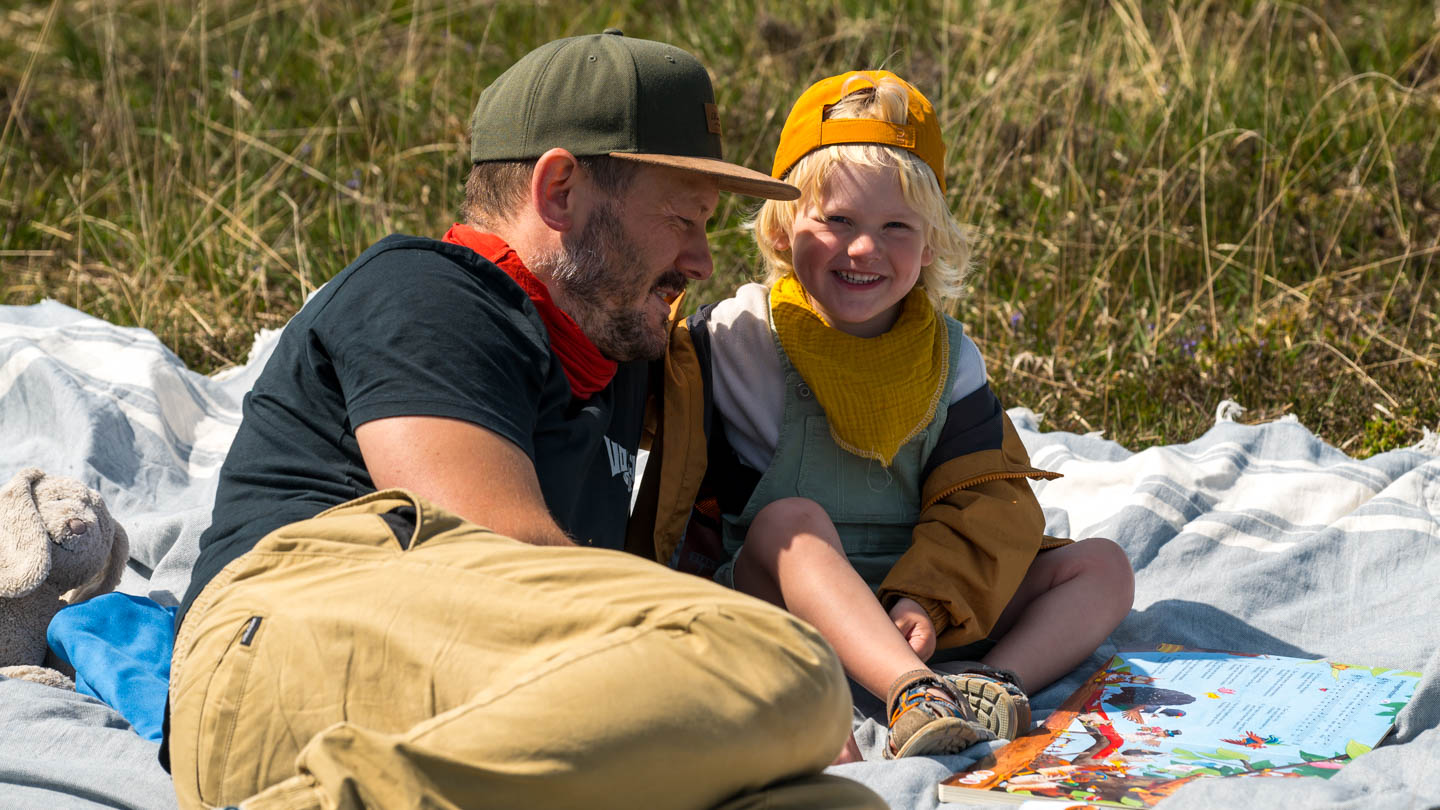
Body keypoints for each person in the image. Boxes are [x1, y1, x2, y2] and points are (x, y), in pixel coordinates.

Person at [165, 32, 885, 810]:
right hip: (280, 648)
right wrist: (740, 665)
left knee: (836, 802)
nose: (703, 260)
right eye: (683, 218)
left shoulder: (618, 351)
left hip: (468, 690)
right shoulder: (427, 293)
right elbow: (491, 554)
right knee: (793, 675)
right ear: (561, 191)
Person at [636, 71, 1134, 762]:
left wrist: (930, 601)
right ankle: (912, 695)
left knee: (1103, 568)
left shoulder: (949, 359)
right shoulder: (738, 339)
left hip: (921, 602)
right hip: (784, 603)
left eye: (896, 227)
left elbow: (986, 502)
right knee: (793, 521)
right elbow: (644, 415)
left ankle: (991, 685)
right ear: (782, 232)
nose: (864, 248)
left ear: (930, 246)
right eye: (837, 221)